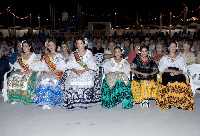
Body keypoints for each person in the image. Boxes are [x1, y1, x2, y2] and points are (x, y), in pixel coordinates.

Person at [61, 37, 100, 109]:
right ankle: (74, 101)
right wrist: (76, 71)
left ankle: (84, 101)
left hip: (86, 71)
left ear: (84, 44)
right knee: (73, 80)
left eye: (81, 43)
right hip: (75, 71)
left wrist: (83, 71)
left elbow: (92, 65)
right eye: (77, 43)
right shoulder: (74, 54)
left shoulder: (89, 53)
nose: (79, 45)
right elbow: (69, 65)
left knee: (85, 79)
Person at [34, 40, 66, 110]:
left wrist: (55, 71)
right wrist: (47, 71)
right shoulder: (46, 56)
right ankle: (44, 101)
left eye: (52, 45)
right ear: (47, 47)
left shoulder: (59, 55)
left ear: (55, 46)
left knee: (51, 82)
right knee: (44, 81)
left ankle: (50, 101)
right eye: (49, 45)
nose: (51, 47)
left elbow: (63, 67)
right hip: (48, 73)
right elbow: (42, 66)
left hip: (57, 73)